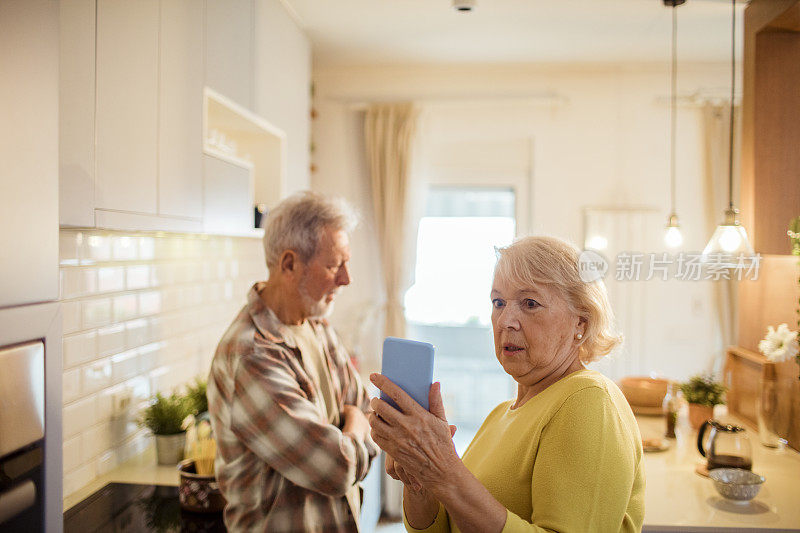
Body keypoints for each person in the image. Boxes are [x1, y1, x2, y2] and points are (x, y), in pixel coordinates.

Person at [368, 236, 644, 532]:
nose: (505, 321)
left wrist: (446, 472)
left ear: (581, 323)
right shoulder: (501, 414)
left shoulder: (589, 399)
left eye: (530, 303)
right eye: (498, 302)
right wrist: (421, 479)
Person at [207, 191, 378, 532]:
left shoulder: (316, 325)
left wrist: (356, 427)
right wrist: (356, 424)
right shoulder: (251, 356)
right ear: (288, 264)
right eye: (334, 265)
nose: (346, 278)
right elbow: (335, 470)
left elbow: (370, 412)